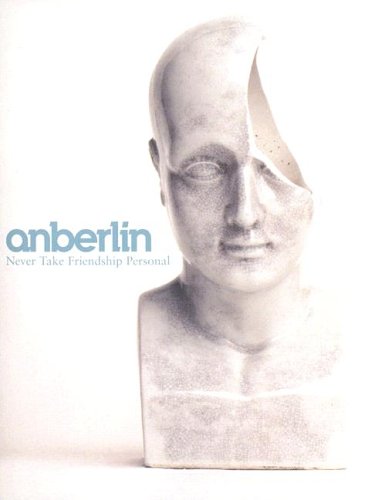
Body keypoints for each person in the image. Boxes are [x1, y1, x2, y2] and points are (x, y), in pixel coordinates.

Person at [139, 18, 344, 469]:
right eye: (205, 169)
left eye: (277, 167)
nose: (245, 213)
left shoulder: (343, 334)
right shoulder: (154, 331)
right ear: (161, 171)